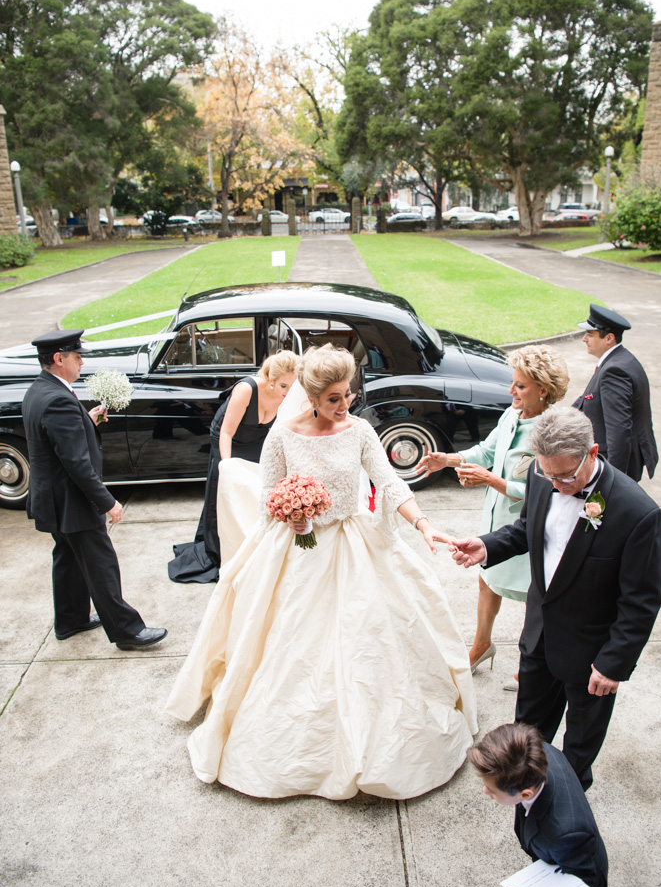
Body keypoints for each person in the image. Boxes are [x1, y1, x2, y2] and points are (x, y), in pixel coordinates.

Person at [166, 344, 477, 800]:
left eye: (347, 394)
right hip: (297, 549)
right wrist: (291, 516)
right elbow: (268, 496)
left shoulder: (361, 431)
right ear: (311, 397)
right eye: (333, 398)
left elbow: (388, 482)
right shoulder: (283, 435)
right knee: (291, 643)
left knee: (370, 638)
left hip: (354, 543)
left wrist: (425, 525)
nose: (344, 405)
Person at [449, 405, 661, 791]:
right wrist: (487, 545)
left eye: (566, 476)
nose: (556, 484)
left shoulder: (637, 513)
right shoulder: (540, 472)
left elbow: (641, 600)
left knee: (578, 747)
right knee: (527, 731)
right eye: (549, 475)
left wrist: (613, 664)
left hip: (591, 656)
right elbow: (529, 527)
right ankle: (527, 798)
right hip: (539, 637)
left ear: (592, 453)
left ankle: (567, 804)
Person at [418, 346, 569, 686]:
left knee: (534, 595)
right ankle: (482, 645)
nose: (511, 392)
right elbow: (486, 451)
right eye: (513, 384)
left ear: (543, 390)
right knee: (487, 581)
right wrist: (448, 459)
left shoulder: (552, 432)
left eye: (521, 386)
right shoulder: (510, 415)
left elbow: (546, 491)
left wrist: (492, 481)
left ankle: (530, 661)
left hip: (528, 526)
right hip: (494, 518)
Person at [22, 330, 167, 650]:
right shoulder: (59, 399)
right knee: (101, 564)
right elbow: (75, 463)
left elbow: (54, 441)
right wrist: (107, 502)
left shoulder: (38, 390)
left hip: (51, 498)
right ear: (59, 359)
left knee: (67, 559)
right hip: (71, 501)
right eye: (76, 356)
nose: (81, 361)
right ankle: (128, 632)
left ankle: (70, 620)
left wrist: (86, 420)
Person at [168, 351, 299, 583]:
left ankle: (247, 541)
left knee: (254, 489)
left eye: (293, 385)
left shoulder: (291, 394)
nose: (288, 392)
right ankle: (216, 549)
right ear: (270, 378)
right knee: (224, 490)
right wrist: (226, 465)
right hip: (228, 438)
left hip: (257, 441)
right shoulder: (247, 389)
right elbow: (226, 432)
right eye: (283, 385)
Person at [468, 723, 627, 887]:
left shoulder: (565, 834)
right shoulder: (541, 753)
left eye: (493, 791)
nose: (485, 791)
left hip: (577, 870)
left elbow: (584, 886)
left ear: (525, 794)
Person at [572, 303, 657, 481]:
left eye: (590, 334)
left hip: (613, 463)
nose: (584, 339)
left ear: (609, 338)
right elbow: (587, 398)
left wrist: (614, 480)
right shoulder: (618, 360)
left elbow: (618, 430)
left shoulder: (614, 371)